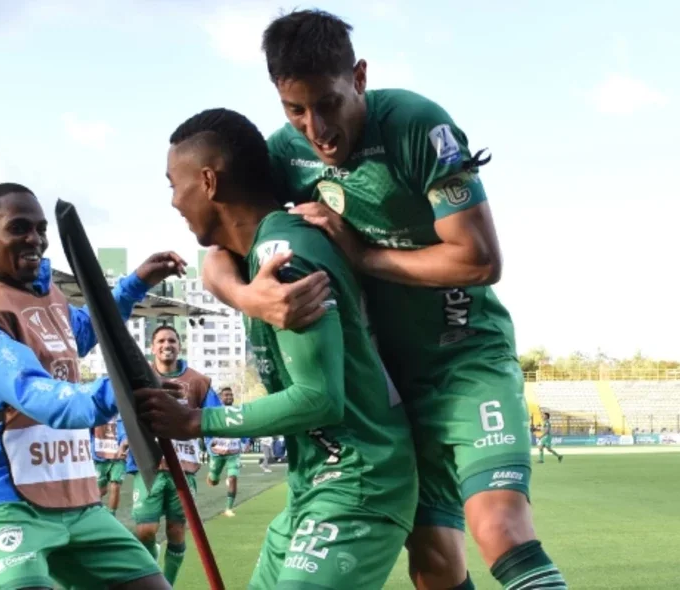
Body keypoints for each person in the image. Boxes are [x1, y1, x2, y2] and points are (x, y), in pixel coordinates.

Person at [199, 10, 566, 589]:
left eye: (328, 102)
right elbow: (217, 243)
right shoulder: (283, 153)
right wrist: (251, 298)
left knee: (498, 526)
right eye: (295, 109)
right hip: (390, 387)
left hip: (464, 358)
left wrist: (362, 255)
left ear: (360, 78)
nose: (316, 127)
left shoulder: (416, 125)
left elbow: (479, 259)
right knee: (434, 566)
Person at [139, 107, 418, 589]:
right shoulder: (259, 251)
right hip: (313, 484)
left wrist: (197, 422)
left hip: (358, 481)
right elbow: (217, 257)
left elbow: (318, 398)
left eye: (173, 184)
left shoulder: (285, 257)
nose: (173, 202)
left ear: (208, 181)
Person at [0, 182, 184, 590]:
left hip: (76, 498)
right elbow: (35, 393)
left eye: (41, 228)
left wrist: (134, 284)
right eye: (19, 228)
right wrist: (123, 388)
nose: (35, 239)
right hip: (5, 501)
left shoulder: (48, 297)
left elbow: (80, 331)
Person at [126, 324, 220, 586]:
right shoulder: (138, 378)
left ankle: (167, 583)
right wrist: (124, 438)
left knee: (177, 531)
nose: (166, 345)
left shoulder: (199, 381)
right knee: (145, 531)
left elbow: (213, 416)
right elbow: (123, 410)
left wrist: (215, 447)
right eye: (161, 341)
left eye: (172, 341)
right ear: (152, 347)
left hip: (184, 466)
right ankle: (151, 578)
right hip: (149, 465)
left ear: (179, 346)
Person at [204, 387, 246, 517]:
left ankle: (228, 508)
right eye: (226, 395)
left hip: (233, 453)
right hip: (217, 453)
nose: (229, 397)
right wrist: (209, 443)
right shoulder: (215, 412)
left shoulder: (237, 412)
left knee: (233, 478)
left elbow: (245, 428)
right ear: (220, 397)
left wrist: (246, 441)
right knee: (213, 481)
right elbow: (206, 429)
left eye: (231, 394)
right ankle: (212, 476)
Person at [93, 415, 128, 515]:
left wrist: (124, 445)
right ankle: (94, 513)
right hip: (100, 455)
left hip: (118, 456)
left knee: (115, 485)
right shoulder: (96, 409)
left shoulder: (122, 412)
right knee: (100, 491)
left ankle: (112, 514)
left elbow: (126, 431)